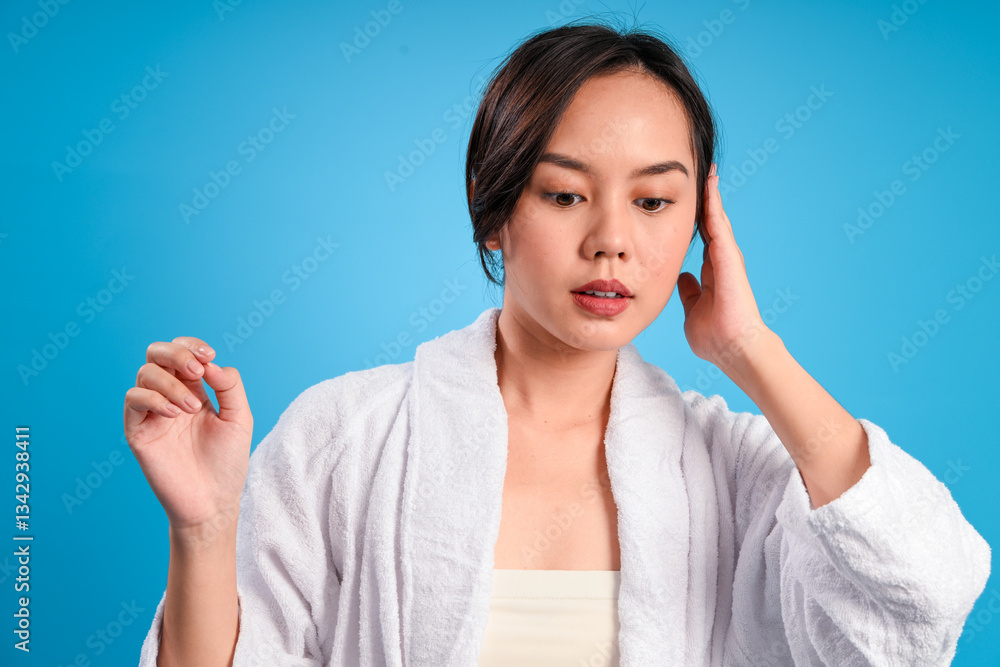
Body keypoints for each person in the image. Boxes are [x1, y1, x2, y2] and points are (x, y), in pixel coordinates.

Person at [128, 19, 991, 666]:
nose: (612, 240)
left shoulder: (734, 471)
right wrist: (203, 530)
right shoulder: (343, 438)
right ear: (494, 206)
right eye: (565, 194)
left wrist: (749, 348)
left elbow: (920, 602)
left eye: (653, 202)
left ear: (700, 220)